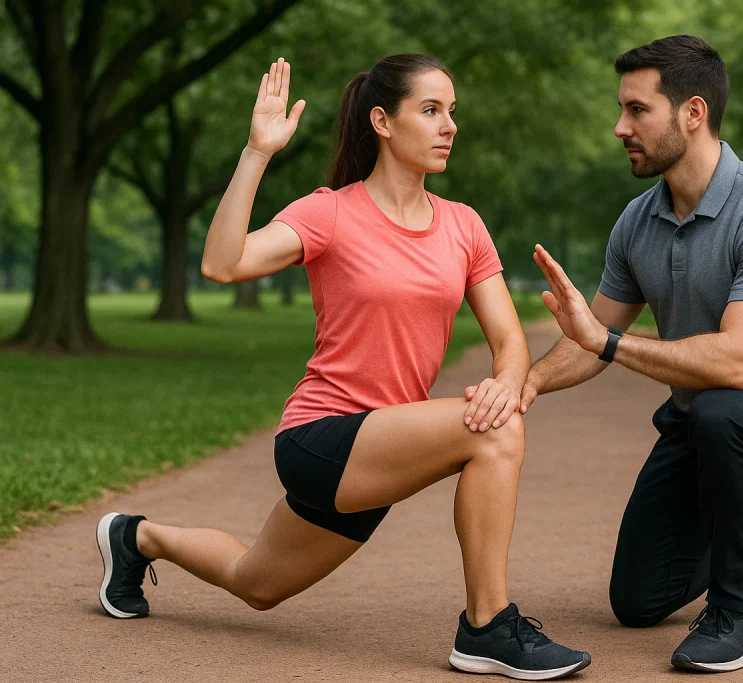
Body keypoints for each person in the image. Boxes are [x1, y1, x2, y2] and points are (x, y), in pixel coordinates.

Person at [94, 54, 591, 681]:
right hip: (320, 437)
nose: (449, 127)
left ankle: (135, 538)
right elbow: (224, 265)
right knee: (492, 434)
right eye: (431, 110)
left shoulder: (464, 226)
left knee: (258, 584)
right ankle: (488, 628)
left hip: (382, 447)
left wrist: (506, 380)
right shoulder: (330, 212)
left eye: (452, 112)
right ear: (382, 121)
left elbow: (509, 340)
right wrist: (256, 153)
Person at [518, 36, 743, 673]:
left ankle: (738, 617)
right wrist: (524, 385)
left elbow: (737, 365)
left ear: (692, 113)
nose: (620, 128)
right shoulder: (637, 222)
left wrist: (610, 342)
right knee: (639, 599)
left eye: (637, 110)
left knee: (726, 411)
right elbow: (589, 340)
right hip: (702, 422)